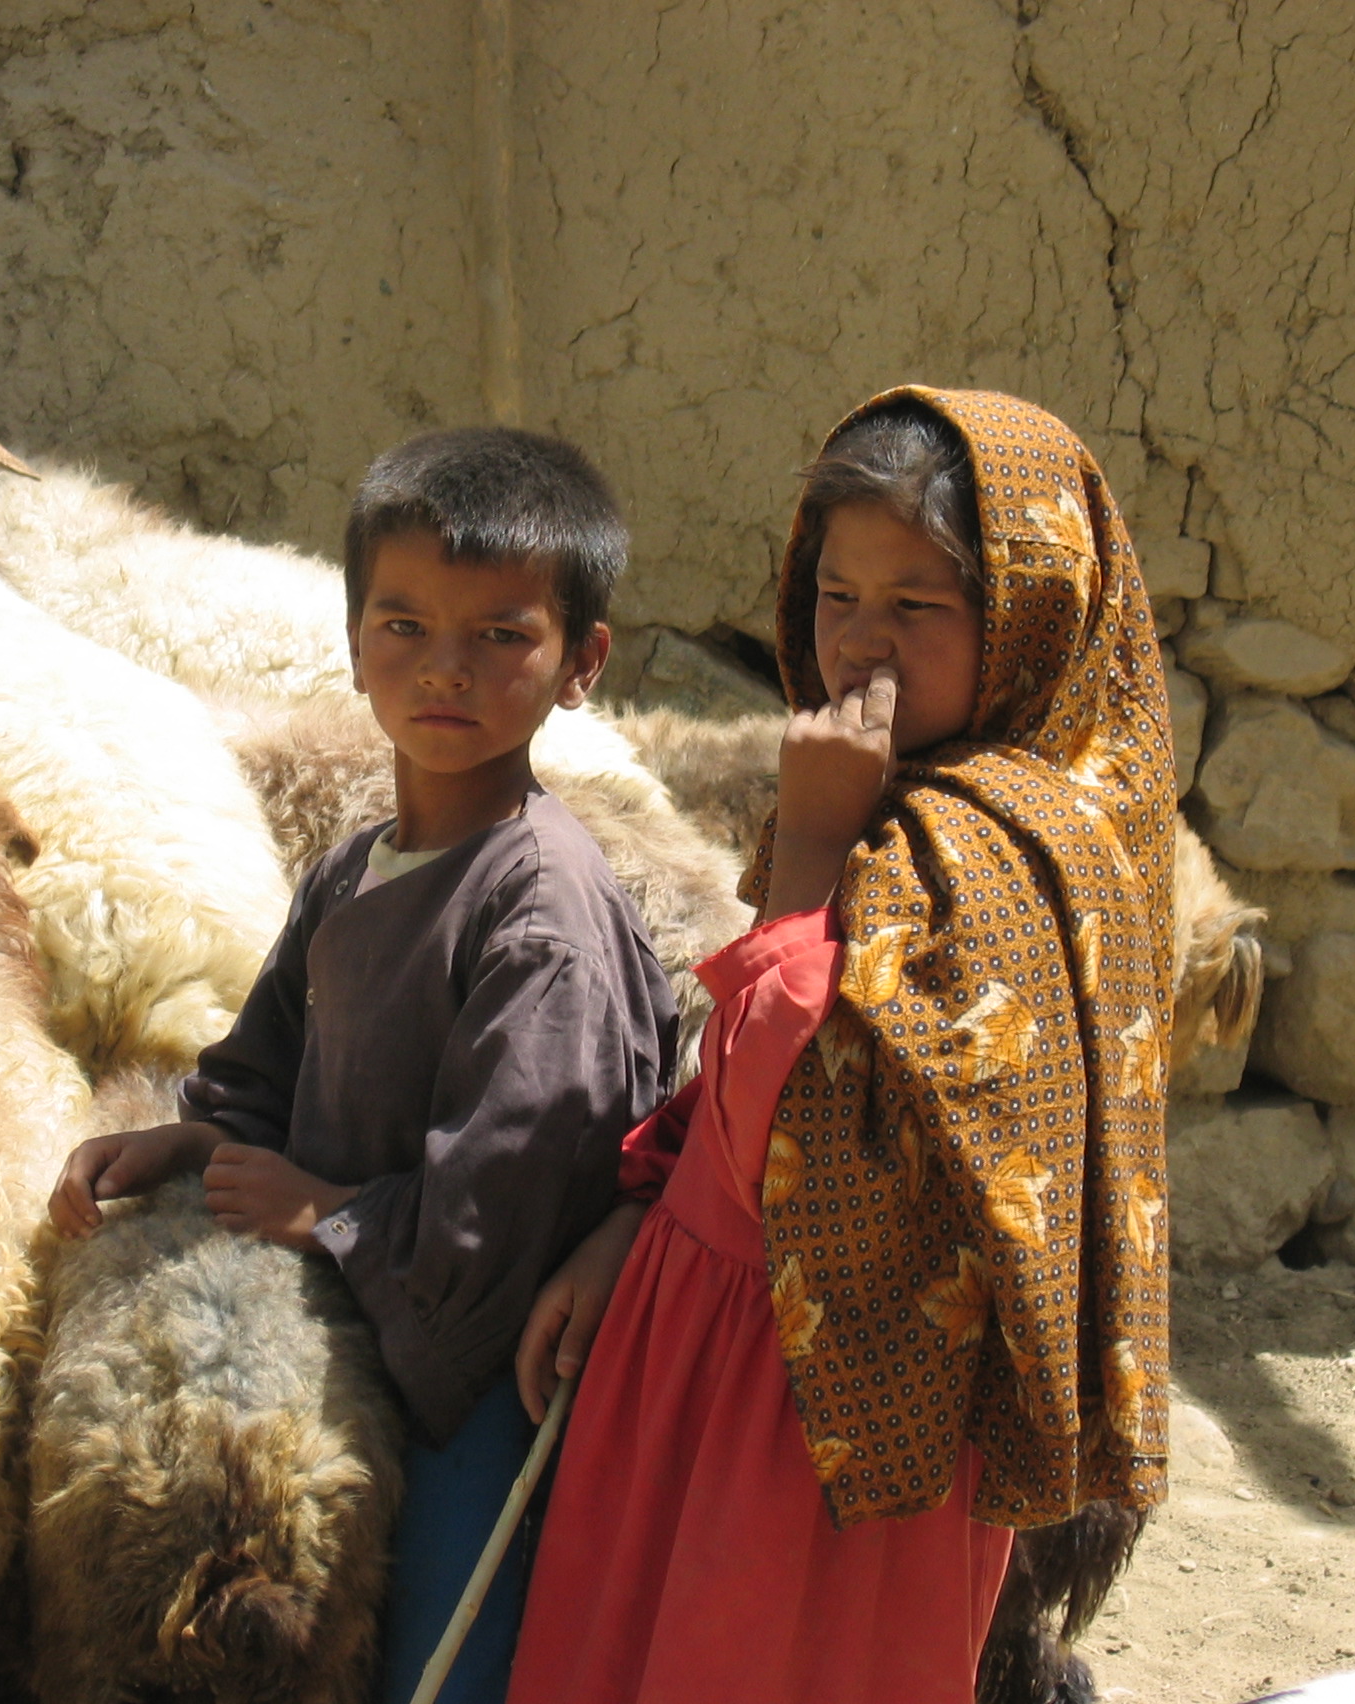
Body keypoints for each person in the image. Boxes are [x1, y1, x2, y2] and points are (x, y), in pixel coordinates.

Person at [504, 388, 1178, 1704]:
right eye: (835, 596)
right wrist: (637, 1217)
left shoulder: (1003, 848)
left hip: (834, 1414)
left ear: (1030, 614)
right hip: (706, 1329)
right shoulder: (895, 794)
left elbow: (791, 1100)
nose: (863, 644)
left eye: (919, 607)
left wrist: (811, 848)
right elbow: (734, 1101)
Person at [50, 426, 681, 1704]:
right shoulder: (357, 866)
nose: (444, 670)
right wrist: (184, 1139)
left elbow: (496, 1230)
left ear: (582, 664)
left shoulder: (539, 915)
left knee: (437, 1668)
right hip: (354, 1335)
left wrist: (324, 1214)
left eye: (501, 636)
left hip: (480, 1393)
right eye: (403, 625)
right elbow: (266, 1063)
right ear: (350, 641)